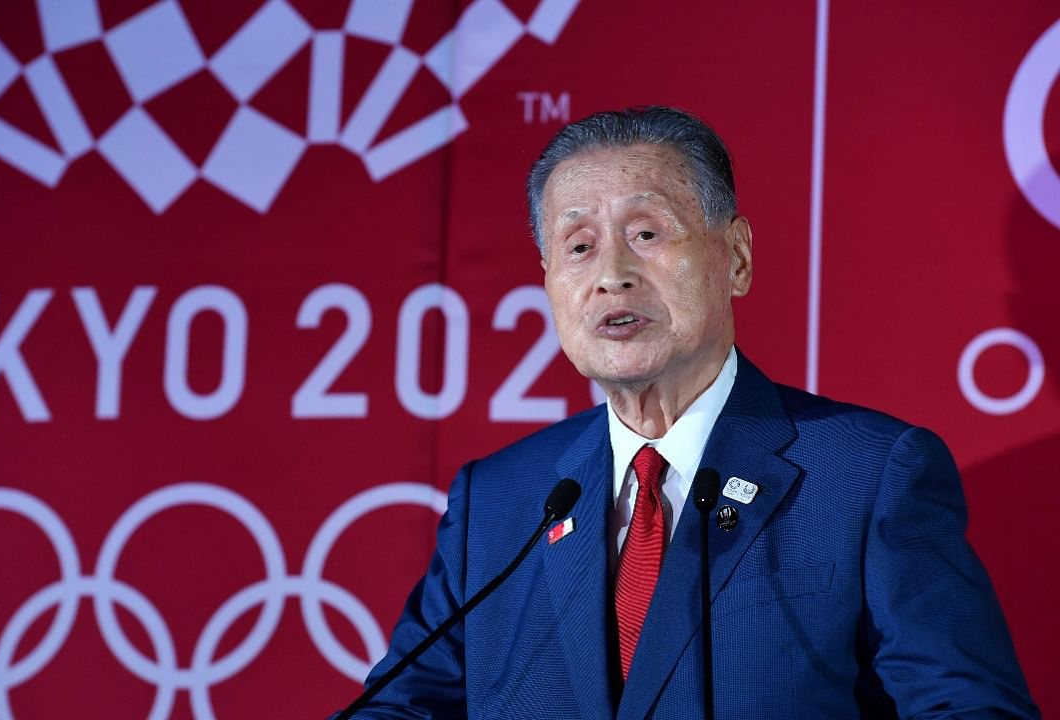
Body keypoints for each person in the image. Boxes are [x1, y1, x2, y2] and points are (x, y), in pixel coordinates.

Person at [344, 107, 1038, 718]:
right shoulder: (500, 504)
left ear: (736, 257)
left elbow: (968, 708)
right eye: (578, 245)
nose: (610, 272)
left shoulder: (868, 477)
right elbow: (404, 708)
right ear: (551, 284)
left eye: (646, 233)